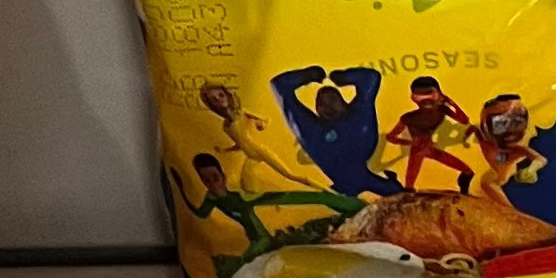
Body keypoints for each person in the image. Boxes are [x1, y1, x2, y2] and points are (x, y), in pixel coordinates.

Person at [171, 153, 358, 276]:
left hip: (262, 239)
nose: (213, 184)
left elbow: (282, 197)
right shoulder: (211, 199)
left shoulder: (241, 197)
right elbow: (201, 214)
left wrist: (325, 198)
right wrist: (182, 190)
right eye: (206, 180)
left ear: (223, 177)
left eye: (215, 178)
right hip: (255, 241)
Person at [270, 65, 400, 197]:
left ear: (344, 103)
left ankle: (388, 190)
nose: (327, 107)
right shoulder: (311, 130)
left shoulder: (358, 115)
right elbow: (279, 85)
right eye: (321, 103)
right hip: (346, 181)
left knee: (370, 184)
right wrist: (307, 75)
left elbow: (371, 77)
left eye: (332, 100)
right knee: (367, 184)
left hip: (356, 177)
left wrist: (344, 77)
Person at [198, 81, 307, 189]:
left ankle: (316, 186)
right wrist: (225, 150)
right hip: (251, 157)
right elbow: (240, 145)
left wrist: (261, 124)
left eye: (221, 95)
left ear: (227, 94)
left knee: (289, 174)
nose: (219, 100)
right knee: (247, 186)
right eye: (214, 100)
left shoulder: (242, 113)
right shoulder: (226, 127)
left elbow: (264, 120)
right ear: (211, 104)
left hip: (261, 150)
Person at [383, 77, 477, 193]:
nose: (426, 100)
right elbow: (390, 137)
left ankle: (463, 191)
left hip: (430, 149)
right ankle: (403, 186)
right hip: (419, 149)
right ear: (413, 98)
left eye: (430, 94)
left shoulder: (442, 110)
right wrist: (409, 142)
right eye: (420, 96)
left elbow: (464, 120)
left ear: (439, 95)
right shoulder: (408, 118)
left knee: (468, 172)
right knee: (409, 186)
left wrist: (451, 102)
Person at [475, 93, 545, 196]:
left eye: (518, 122)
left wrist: (531, 169)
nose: (510, 130)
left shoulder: (514, 150)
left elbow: (540, 159)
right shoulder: (484, 139)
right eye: (499, 123)